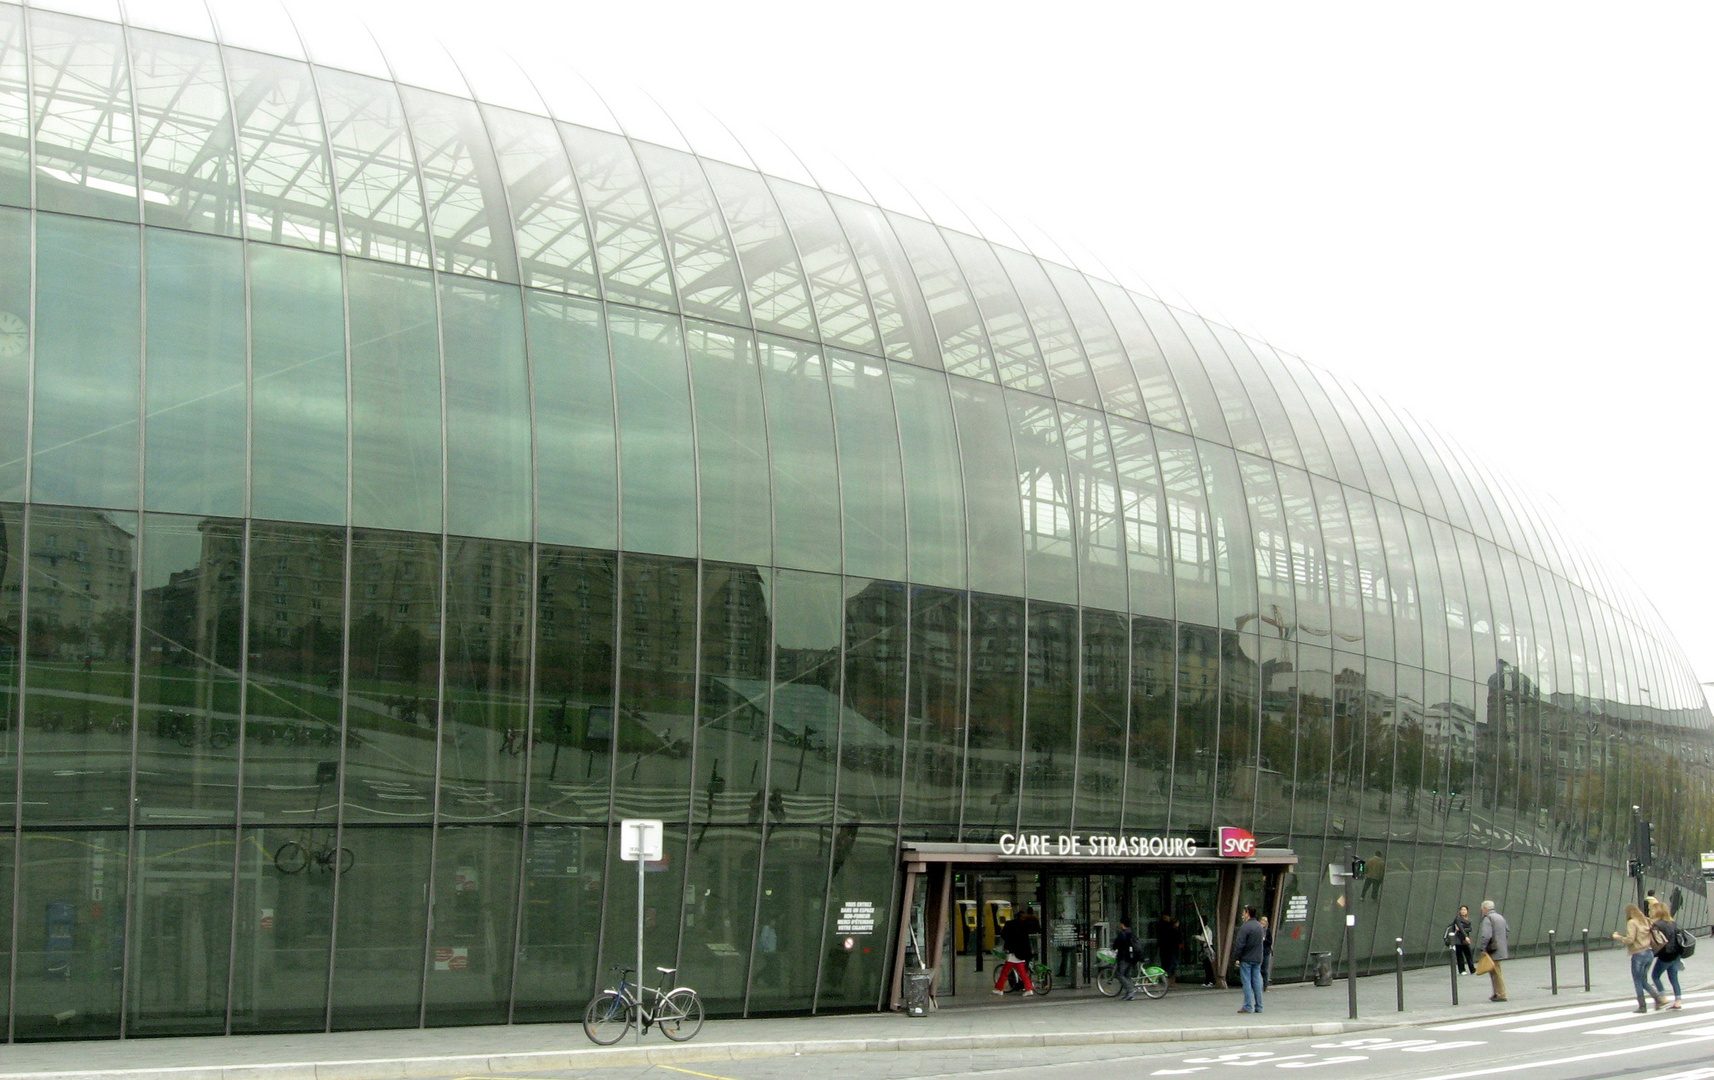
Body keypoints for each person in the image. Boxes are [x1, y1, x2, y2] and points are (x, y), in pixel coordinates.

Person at [1612, 902, 1657, 1012]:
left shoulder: (1632, 922)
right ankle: (1658, 998)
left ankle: (1642, 1005)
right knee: (1643, 980)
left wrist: (1618, 937)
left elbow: (1630, 939)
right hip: (1649, 952)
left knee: (1637, 980)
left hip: (1638, 953)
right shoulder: (1645, 920)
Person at [1648, 898, 1685, 1010]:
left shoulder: (1657, 925)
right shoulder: (1673, 923)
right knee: (1674, 978)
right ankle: (1678, 1001)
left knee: (1655, 975)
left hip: (1666, 954)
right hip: (1676, 954)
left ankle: (1663, 996)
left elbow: (1656, 941)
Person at [992, 909, 1036, 997]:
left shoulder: (1010, 924)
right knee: (1022, 972)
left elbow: (1004, 935)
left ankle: (999, 988)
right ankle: (1028, 988)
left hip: (1014, 953)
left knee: (1005, 971)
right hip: (1022, 952)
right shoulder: (1025, 925)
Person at [1475, 900, 1509, 1002]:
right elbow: (1507, 931)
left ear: (1485, 909)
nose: (1482, 911)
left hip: (1493, 949)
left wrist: (1483, 947)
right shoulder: (1500, 917)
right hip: (1501, 948)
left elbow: (1486, 935)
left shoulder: (1488, 919)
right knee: (1495, 971)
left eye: (1482, 909)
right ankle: (1497, 993)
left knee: (1496, 972)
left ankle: (1501, 994)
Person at [1234, 906, 1266, 1013]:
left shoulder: (1245, 927)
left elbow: (1240, 944)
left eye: (1243, 912)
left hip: (1246, 958)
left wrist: (1237, 957)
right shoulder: (1259, 926)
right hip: (1257, 958)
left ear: (1247, 913)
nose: (1242, 914)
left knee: (1246, 982)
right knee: (1257, 981)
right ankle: (1259, 1006)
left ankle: (1248, 1006)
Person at [1111, 917, 1141, 1000]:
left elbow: (1116, 944)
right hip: (1132, 957)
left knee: (1119, 974)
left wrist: (1113, 948)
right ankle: (1130, 994)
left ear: (1122, 924)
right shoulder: (1131, 932)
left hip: (1124, 957)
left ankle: (1131, 990)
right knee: (1127, 974)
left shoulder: (1122, 933)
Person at [1446, 905, 1475, 974]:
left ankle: (1472, 969)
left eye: (1465, 910)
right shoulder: (1457, 918)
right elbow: (1460, 928)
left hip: (1464, 940)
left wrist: (1463, 930)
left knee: (1468, 954)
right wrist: (1466, 936)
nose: (1463, 911)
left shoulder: (1468, 919)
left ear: (1467, 911)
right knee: (1459, 955)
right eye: (1462, 910)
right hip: (1458, 939)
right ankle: (1462, 970)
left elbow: (1470, 928)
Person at [1157, 914, 1183, 987]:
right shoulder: (1170, 930)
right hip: (1170, 950)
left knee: (1173, 964)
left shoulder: (1175, 930)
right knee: (1172, 964)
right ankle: (1168, 977)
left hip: (1173, 949)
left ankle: (1169, 978)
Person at [1259, 915, 1275, 989]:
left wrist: (1264, 939)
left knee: (1265, 969)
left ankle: (1265, 985)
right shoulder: (1257, 930)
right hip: (1258, 951)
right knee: (1257, 968)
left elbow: (1270, 942)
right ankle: (1257, 985)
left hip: (1265, 951)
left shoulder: (1268, 931)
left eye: (1264, 922)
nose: (1262, 924)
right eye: (1261, 922)